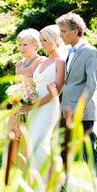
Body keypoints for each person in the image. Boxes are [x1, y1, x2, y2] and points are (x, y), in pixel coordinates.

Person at [57, 13, 97, 192]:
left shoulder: (91, 52)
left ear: (76, 31)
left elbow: (91, 83)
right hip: (65, 109)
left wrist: (78, 109)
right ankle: (62, 188)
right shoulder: (69, 51)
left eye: (64, 32)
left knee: (88, 150)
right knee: (64, 150)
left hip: (82, 111)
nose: (61, 35)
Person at [20, 25, 66, 178]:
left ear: (55, 40)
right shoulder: (42, 62)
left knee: (37, 144)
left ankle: (59, 178)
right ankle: (46, 182)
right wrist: (24, 97)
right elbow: (34, 85)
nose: (42, 44)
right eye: (41, 40)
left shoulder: (60, 62)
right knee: (32, 145)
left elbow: (57, 89)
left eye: (45, 40)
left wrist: (36, 104)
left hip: (48, 107)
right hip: (35, 108)